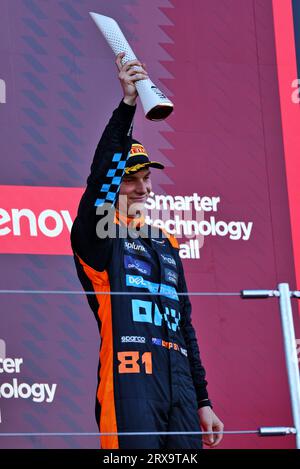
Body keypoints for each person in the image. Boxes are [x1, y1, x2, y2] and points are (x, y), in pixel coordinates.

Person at [71, 52, 224, 449]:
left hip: (181, 393)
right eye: (131, 181)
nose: (144, 188)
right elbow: (100, 180)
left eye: (146, 178)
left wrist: (203, 400)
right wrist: (126, 106)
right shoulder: (99, 237)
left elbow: (184, 324)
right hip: (130, 385)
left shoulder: (167, 242)